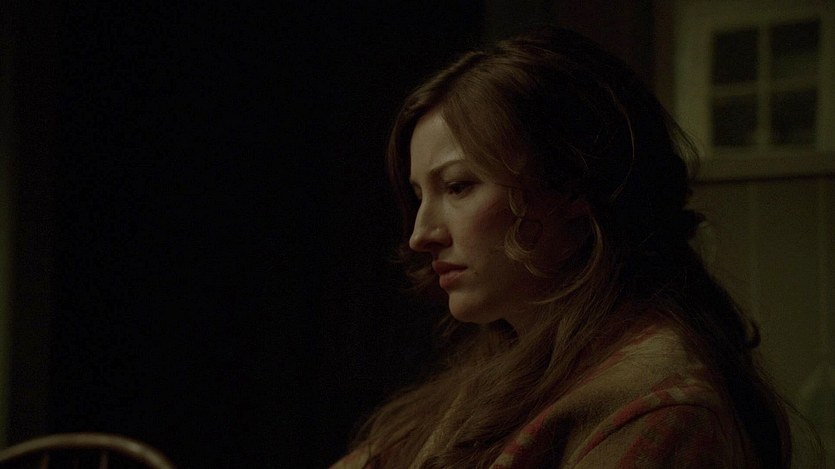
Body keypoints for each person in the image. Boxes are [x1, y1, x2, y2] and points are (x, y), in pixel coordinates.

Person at [332, 27, 795, 468]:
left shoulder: (658, 411)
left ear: (571, 185)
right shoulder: (498, 374)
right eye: (419, 195)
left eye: (457, 186)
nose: (420, 234)